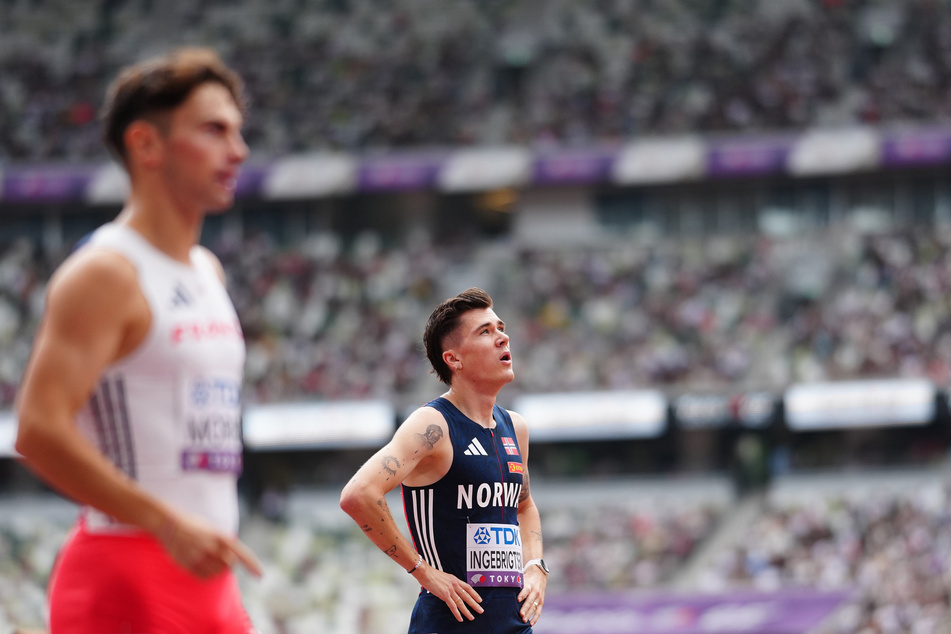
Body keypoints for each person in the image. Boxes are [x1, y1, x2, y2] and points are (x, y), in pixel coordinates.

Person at [15, 47, 262, 634]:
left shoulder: (207, 270)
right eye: (213, 130)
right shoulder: (106, 272)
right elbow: (38, 429)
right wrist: (167, 523)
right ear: (146, 145)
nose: (238, 150)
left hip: (209, 570)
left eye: (237, 131)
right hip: (126, 574)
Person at [340, 287, 548, 632]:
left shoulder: (516, 427)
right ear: (454, 359)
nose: (502, 337)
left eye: (500, 328)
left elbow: (523, 505)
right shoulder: (433, 425)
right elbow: (358, 494)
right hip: (449, 622)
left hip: (514, 622)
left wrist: (536, 565)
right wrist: (423, 571)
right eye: (485, 331)